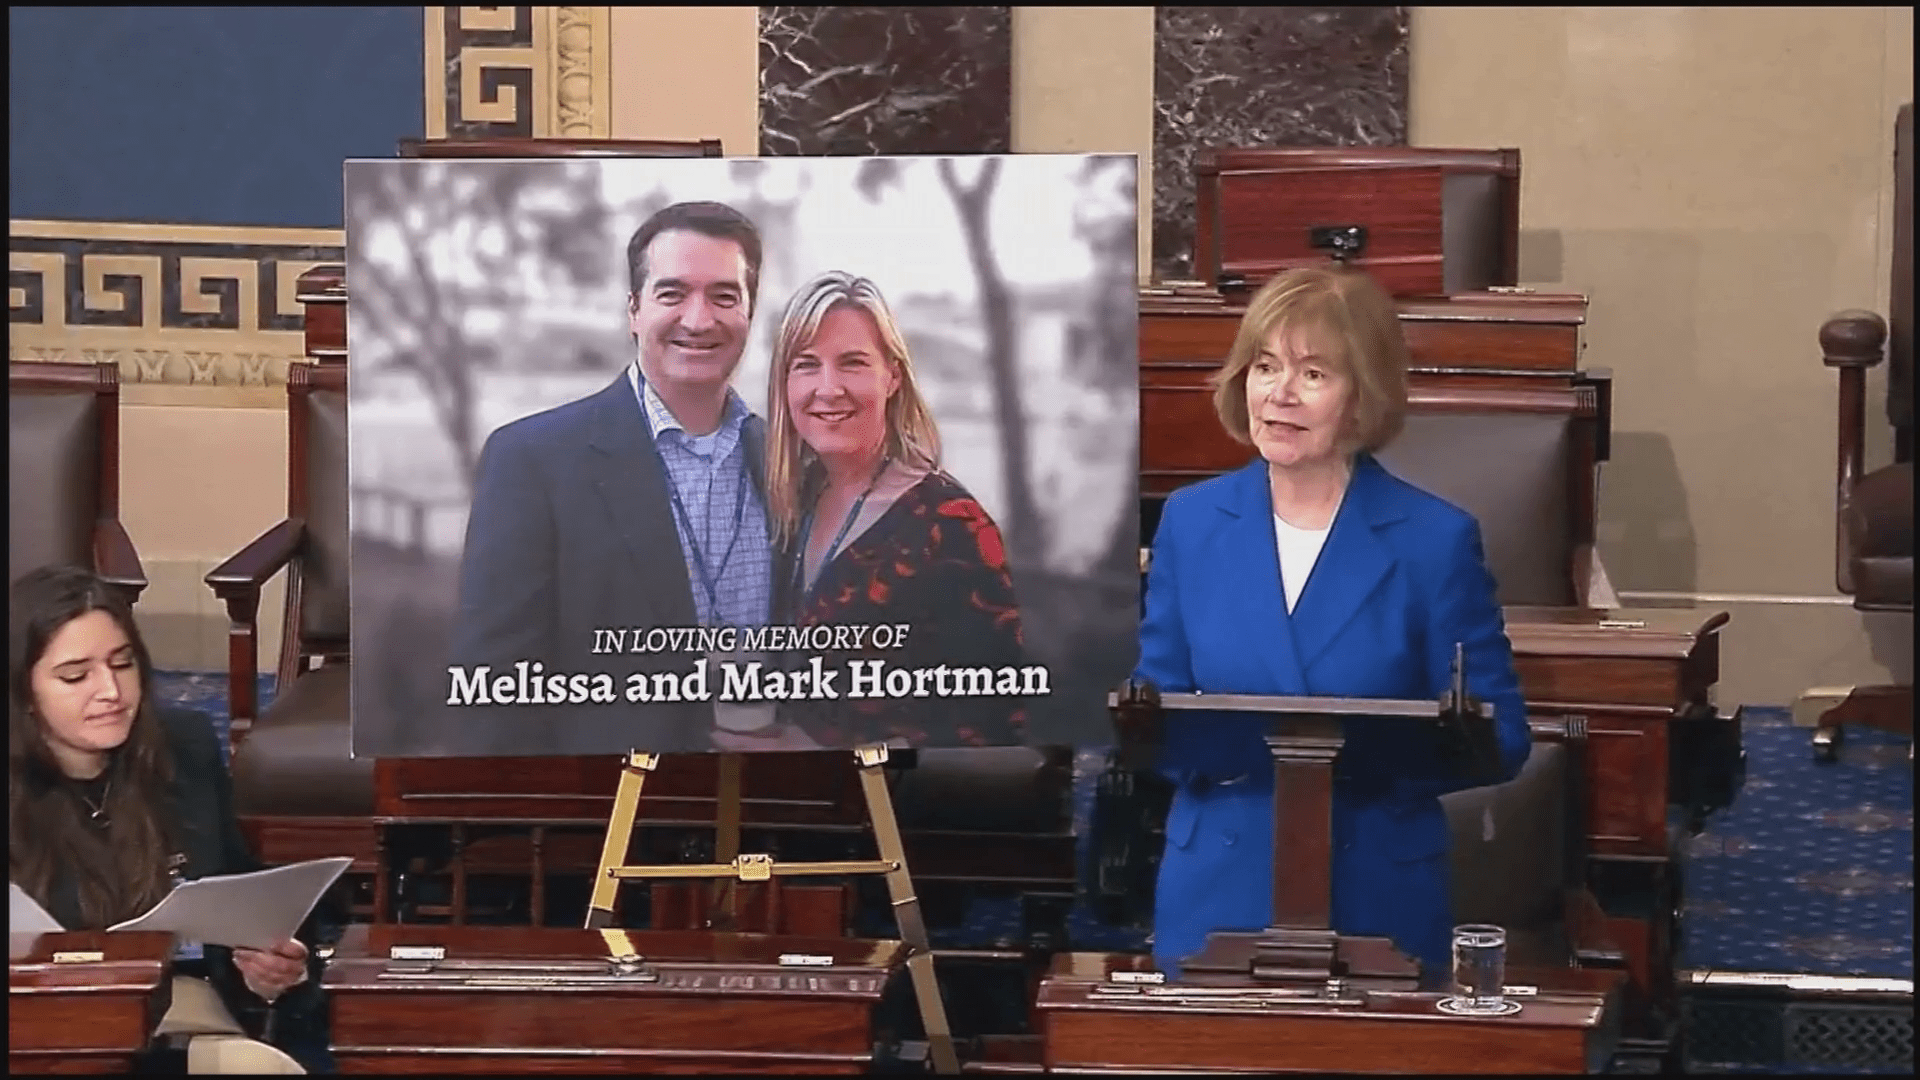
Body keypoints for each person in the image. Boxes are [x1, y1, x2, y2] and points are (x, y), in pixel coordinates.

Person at [1135, 266, 1532, 979]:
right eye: (1265, 367)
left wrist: (1355, 756)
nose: (1279, 394)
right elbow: (1155, 710)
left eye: (1312, 373)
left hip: (1371, 886)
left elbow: (1500, 736)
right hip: (1219, 884)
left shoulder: (1433, 540)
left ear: (1362, 398)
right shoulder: (1192, 523)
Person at [449, 201, 775, 755]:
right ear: (633, 310)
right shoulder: (531, 459)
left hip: (788, 798)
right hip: (610, 805)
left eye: (724, 296)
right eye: (672, 294)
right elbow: (497, 683)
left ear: (750, 311)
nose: (699, 320)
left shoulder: (793, 461)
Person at [8, 565, 324, 1074]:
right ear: (23, 693)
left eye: (123, 664)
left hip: (175, 1013)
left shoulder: (184, 746)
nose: (111, 691)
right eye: (75, 676)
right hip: (43, 1026)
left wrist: (270, 969)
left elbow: (236, 885)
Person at [755, 270, 1029, 749]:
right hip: (779, 806)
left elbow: (992, 725)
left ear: (893, 377)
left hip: (889, 814)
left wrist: (820, 753)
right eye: (806, 364)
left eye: (853, 363)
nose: (828, 387)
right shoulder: (786, 501)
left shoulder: (952, 524)